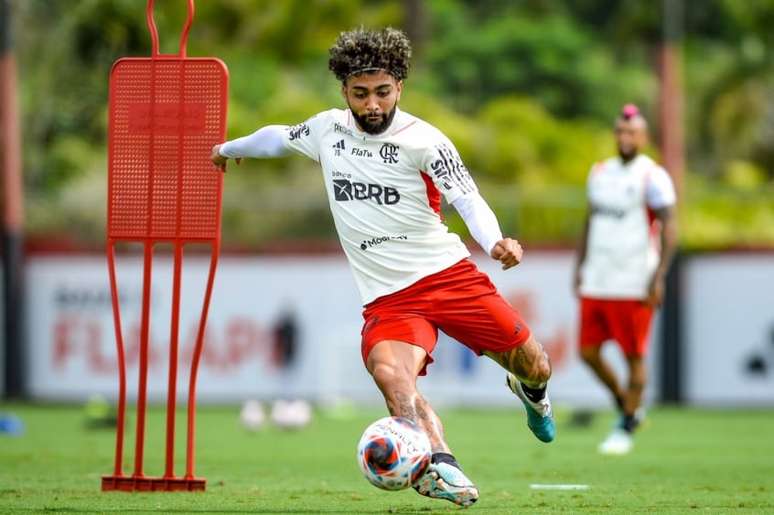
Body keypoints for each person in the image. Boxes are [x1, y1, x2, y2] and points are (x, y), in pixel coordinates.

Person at [211, 28, 555, 507]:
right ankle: (440, 466)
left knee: (537, 364)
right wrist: (230, 148)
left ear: (399, 88)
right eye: (360, 94)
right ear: (344, 92)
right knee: (393, 377)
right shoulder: (327, 130)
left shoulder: (425, 141)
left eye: (382, 92)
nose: (372, 105)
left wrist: (495, 242)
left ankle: (533, 394)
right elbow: (278, 137)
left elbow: (467, 198)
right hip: (389, 299)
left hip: (448, 276)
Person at [574, 104, 677, 455]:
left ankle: (626, 424)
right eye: (620, 131)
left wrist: (658, 276)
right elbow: (590, 221)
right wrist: (579, 266)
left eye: (631, 132)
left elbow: (670, 228)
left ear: (644, 137)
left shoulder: (653, 177)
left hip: (634, 281)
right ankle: (625, 402)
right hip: (597, 279)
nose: (625, 137)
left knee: (634, 356)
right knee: (587, 352)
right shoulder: (600, 172)